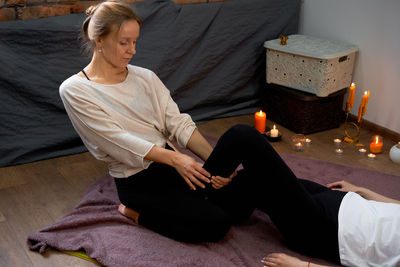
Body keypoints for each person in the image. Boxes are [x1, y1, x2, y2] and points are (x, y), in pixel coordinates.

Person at [59, 1, 400, 266]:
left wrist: (214, 167)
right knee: (216, 224)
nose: (132, 50)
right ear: (98, 41)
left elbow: (177, 123)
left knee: (241, 137)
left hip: (177, 167)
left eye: (135, 41)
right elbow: (117, 141)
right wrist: (177, 159)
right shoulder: (76, 90)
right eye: (124, 42)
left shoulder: (144, 77)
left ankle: (220, 188)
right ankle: (137, 215)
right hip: (140, 181)